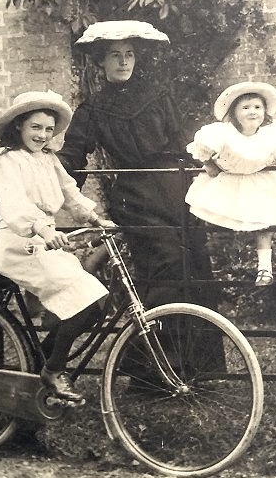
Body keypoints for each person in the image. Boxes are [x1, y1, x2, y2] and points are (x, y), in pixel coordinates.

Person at [57, 20, 217, 310]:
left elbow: (184, 144)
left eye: (129, 54)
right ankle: (151, 352)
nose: (123, 61)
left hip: (177, 190)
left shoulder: (158, 96)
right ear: (101, 60)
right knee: (165, 268)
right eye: (115, 55)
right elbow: (72, 157)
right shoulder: (92, 109)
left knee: (196, 268)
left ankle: (198, 356)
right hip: (137, 197)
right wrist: (41, 174)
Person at [0, 90, 116, 403]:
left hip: (44, 243)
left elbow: (69, 192)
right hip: (18, 242)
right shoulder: (5, 158)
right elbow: (13, 202)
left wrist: (95, 219)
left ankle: (42, 363)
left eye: (49, 129)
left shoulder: (48, 159)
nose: (42, 135)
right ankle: (52, 371)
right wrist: (39, 227)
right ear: (20, 126)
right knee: (84, 300)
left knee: (95, 306)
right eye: (36, 127)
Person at [185, 81, 276, 286]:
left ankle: (265, 269)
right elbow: (204, 148)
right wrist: (209, 163)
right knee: (218, 218)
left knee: (263, 222)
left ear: (265, 112)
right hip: (229, 177)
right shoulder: (223, 133)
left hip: (258, 179)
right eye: (246, 107)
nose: (252, 112)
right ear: (234, 113)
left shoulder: (272, 135)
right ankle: (221, 268)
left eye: (258, 107)